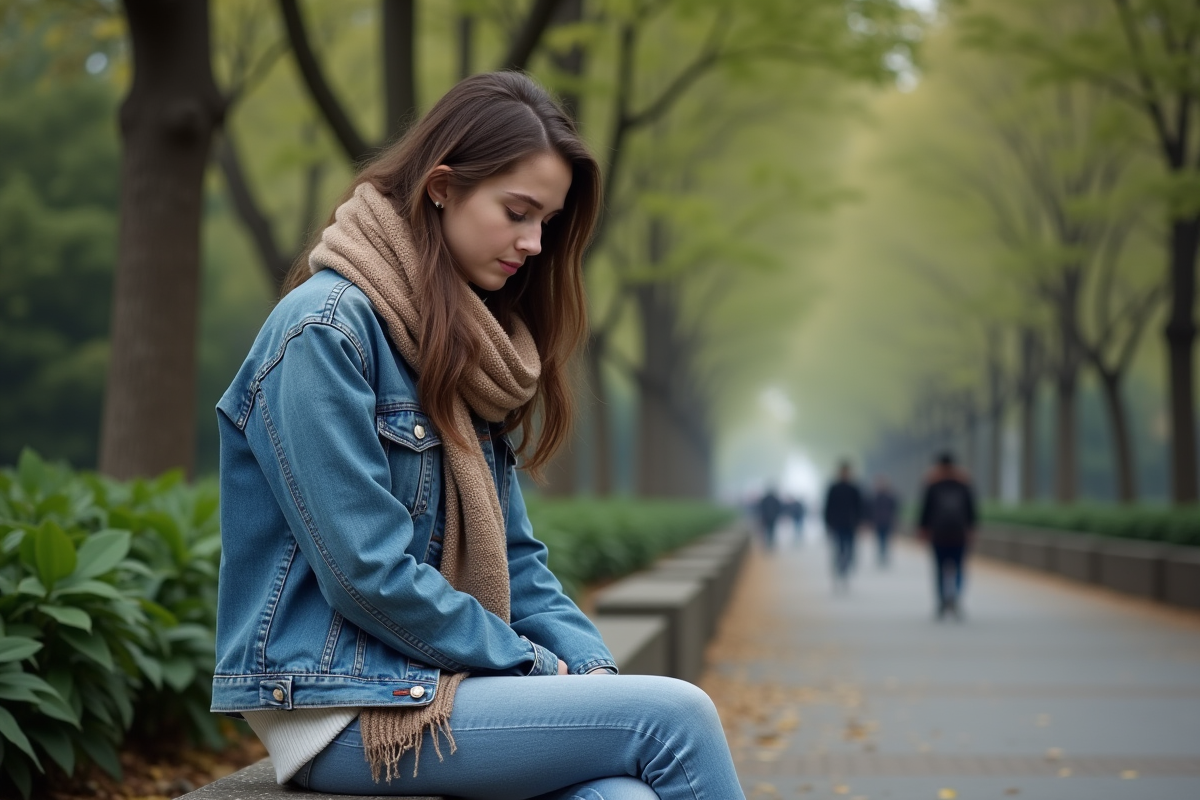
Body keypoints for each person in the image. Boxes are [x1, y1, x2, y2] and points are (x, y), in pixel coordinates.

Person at [211, 72, 744, 800]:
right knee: (676, 716)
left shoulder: (459, 343)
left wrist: (587, 671)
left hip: (449, 684)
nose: (533, 243)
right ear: (441, 186)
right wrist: (530, 665)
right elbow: (366, 576)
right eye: (518, 211)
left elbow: (520, 566)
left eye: (547, 223)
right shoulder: (323, 330)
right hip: (347, 707)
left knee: (622, 797)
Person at [917, 452, 978, 620]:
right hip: (959, 534)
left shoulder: (932, 484)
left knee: (939, 569)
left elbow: (925, 509)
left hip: (938, 534)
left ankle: (942, 601)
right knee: (958, 568)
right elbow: (971, 509)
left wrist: (922, 529)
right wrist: (972, 529)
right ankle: (955, 598)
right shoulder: (964, 483)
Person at [822, 461, 864, 589]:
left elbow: (860, 506)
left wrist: (861, 521)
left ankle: (845, 568)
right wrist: (827, 523)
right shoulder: (833, 488)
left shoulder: (854, 488)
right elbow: (828, 507)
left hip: (851, 524)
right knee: (839, 548)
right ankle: (839, 569)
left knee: (850, 549)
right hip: (837, 524)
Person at [869, 476, 900, 567]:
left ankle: (884, 554)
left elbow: (895, 509)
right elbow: (871, 510)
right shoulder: (875, 497)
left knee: (885, 539)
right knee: (880, 539)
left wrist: (895, 520)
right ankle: (881, 554)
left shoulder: (890, 497)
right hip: (878, 522)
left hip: (887, 521)